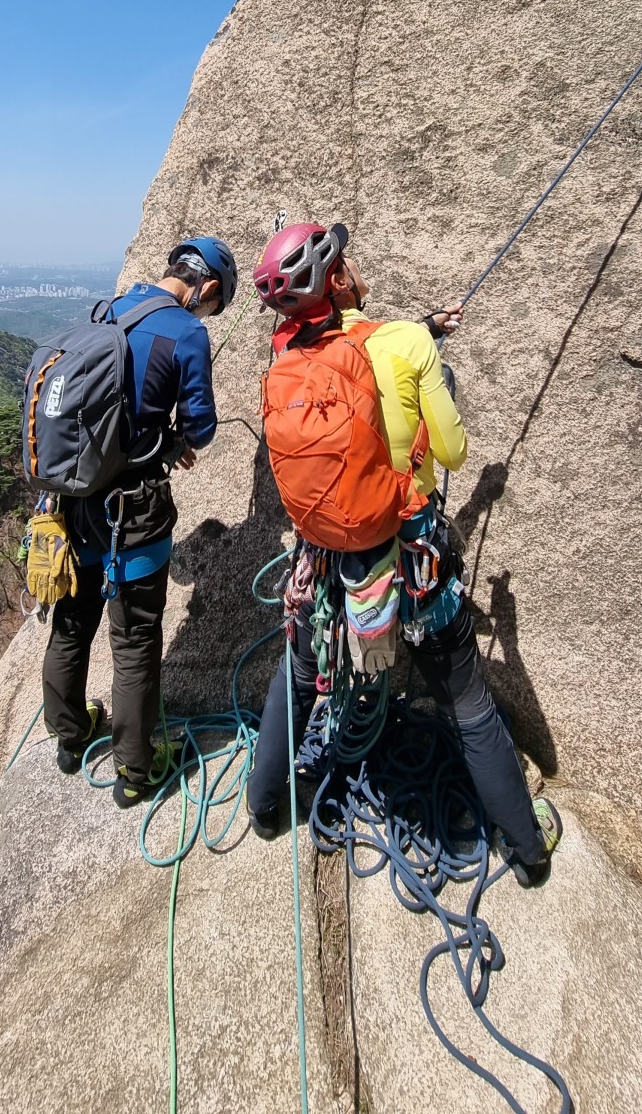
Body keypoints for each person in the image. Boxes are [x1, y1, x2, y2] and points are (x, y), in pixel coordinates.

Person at [246, 221, 561, 886]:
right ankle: (528, 850)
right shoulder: (403, 344)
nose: (355, 266)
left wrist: (425, 331)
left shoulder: (289, 356)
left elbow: (352, 356)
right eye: (346, 261)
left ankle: (264, 806)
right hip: (407, 559)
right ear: (335, 281)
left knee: (299, 679)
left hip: (324, 559)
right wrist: (427, 359)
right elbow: (452, 453)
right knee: (467, 702)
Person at [41, 236, 237, 808]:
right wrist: (172, 438)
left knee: (72, 622)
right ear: (209, 286)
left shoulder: (111, 309)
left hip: (75, 503)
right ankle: (135, 770)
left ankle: (71, 738)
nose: (205, 312)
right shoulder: (187, 334)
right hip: (137, 511)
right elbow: (201, 428)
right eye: (211, 303)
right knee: (133, 639)